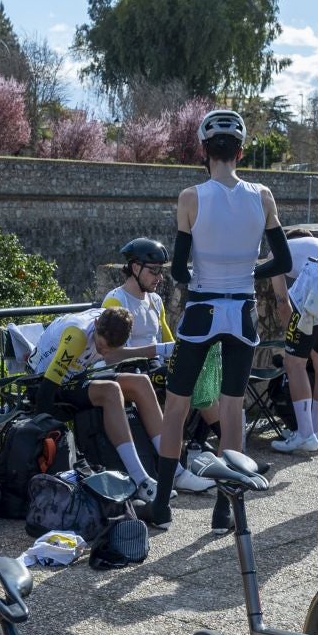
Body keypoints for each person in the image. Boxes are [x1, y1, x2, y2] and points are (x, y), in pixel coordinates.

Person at [143, 109, 293, 532]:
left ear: (203, 151)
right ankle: (225, 508)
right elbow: (281, 259)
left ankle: (161, 506)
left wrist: (202, 278)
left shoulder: (191, 197)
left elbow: (177, 270)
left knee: (176, 407)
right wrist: (247, 273)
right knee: (232, 409)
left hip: (201, 310)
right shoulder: (262, 196)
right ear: (241, 153)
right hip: (242, 311)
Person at [102, 238, 213, 495]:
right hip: (130, 369)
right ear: (134, 267)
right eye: (153, 270)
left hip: (154, 367)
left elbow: (168, 340)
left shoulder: (154, 301)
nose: (159, 277)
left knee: (206, 373)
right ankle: (180, 469)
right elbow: (113, 354)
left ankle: (209, 449)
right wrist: (161, 351)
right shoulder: (116, 300)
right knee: (187, 383)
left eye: (161, 271)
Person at [29, 305, 164, 499]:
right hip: (45, 385)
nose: (104, 352)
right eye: (101, 346)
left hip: (75, 376)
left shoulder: (111, 322)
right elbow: (45, 391)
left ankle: (172, 469)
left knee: (141, 382)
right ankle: (140, 479)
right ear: (95, 325)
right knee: (110, 391)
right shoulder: (78, 336)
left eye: (110, 349)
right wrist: (43, 436)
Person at [268, 225, 318, 454]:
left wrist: (295, 342)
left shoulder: (277, 251)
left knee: (295, 364)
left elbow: (283, 304)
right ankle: (315, 431)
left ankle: (304, 433)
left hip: (315, 287)